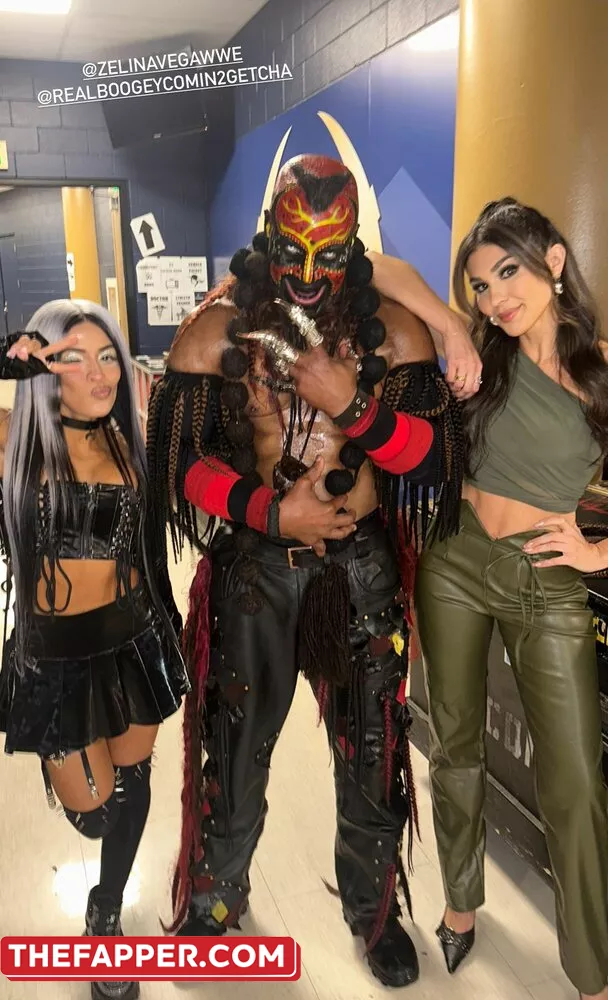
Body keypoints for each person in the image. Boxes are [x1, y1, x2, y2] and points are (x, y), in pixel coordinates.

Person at [147, 154, 464, 988]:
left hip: (360, 574)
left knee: (373, 753)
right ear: (268, 238)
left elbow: (432, 459)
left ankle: (373, 910)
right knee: (233, 748)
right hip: (256, 570)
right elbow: (181, 463)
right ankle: (214, 906)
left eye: (331, 254)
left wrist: (348, 402)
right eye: (293, 252)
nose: (312, 274)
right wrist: (268, 512)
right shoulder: (217, 333)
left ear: (354, 245)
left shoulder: (394, 331)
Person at [372, 197, 608, 1000]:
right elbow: (375, 268)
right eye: (478, 285)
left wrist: (597, 551)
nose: (495, 296)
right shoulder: (479, 354)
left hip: (547, 580)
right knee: (455, 745)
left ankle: (592, 972)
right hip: (455, 561)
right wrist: (449, 324)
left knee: (575, 783)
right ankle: (461, 902)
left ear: (553, 259)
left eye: (508, 271)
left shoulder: (598, 373)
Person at [0, 300, 189, 1000]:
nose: (98, 373)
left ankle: (105, 915)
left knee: (133, 786)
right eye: (73, 358)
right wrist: (5, 357)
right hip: (53, 657)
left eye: (108, 355)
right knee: (98, 811)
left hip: (132, 639)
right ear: (44, 367)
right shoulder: (14, 438)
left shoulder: (128, 440)